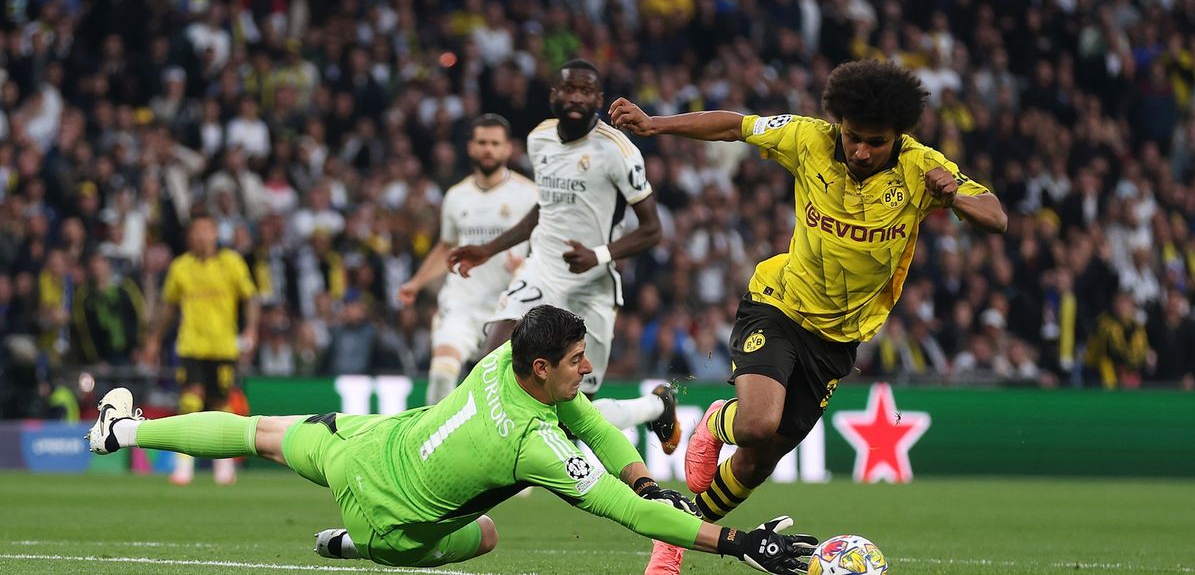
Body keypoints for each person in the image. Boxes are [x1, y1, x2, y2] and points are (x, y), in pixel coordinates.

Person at [610, 59, 1008, 573]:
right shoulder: (808, 138)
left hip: (838, 339)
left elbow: (996, 217)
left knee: (758, 460)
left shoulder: (922, 169)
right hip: (779, 304)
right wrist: (654, 124)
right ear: (838, 123)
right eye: (853, 137)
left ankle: (675, 539)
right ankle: (714, 425)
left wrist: (952, 196)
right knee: (756, 424)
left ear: (899, 137)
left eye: (876, 142)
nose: (861, 150)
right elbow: (735, 125)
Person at [87, 304, 818, 574]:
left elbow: (590, 417)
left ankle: (123, 427)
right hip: (389, 518)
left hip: (367, 447)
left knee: (256, 432)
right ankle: (358, 546)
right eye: (575, 361)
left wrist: (639, 472)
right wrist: (736, 542)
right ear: (542, 366)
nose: (586, 368)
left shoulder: (502, 357)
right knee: (490, 532)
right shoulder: (536, 444)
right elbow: (638, 520)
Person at [449, 59, 680, 452]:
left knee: (574, 420)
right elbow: (545, 209)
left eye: (585, 91)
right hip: (542, 269)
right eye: (568, 89)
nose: (575, 97)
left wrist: (599, 254)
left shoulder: (618, 152)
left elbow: (652, 229)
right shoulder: (539, 139)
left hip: (592, 285)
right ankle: (474, 449)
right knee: (494, 354)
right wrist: (487, 250)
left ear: (598, 99)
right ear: (554, 94)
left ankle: (656, 406)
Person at [397, 114, 538, 405]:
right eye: (482, 143)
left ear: (507, 149)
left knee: (501, 394)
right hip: (462, 301)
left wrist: (526, 266)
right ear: (471, 147)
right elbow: (447, 247)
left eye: (495, 143)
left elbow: (545, 248)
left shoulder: (529, 194)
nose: (489, 149)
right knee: (441, 372)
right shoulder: (456, 196)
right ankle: (434, 446)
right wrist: (417, 282)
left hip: (509, 308)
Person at [143, 214, 260, 485]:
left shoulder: (231, 262)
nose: (201, 236)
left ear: (216, 233)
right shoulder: (181, 266)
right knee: (190, 402)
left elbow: (250, 297)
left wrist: (251, 330)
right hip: (191, 345)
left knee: (221, 405)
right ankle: (184, 466)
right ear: (189, 237)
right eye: (196, 231)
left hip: (222, 347)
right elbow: (168, 306)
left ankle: (224, 465)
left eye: (206, 230)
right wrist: (154, 340)